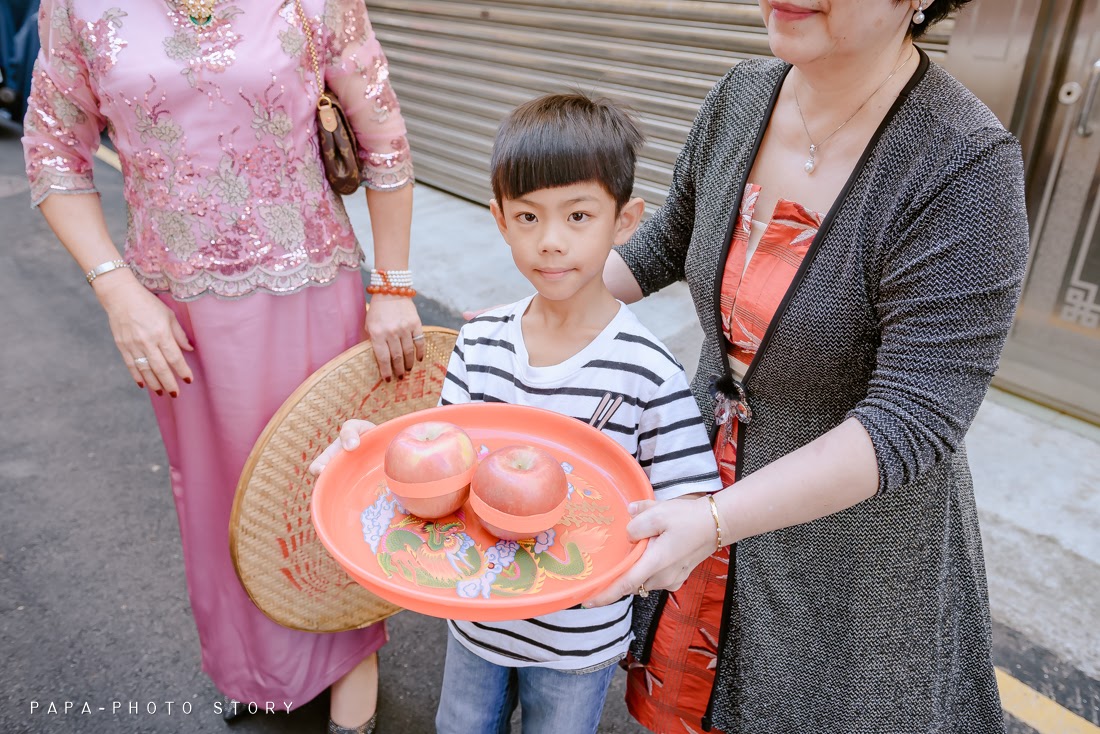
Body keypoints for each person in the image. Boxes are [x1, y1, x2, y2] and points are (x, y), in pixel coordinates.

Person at [583, 1, 1030, 733]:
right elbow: (669, 241)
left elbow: (911, 419)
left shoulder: (964, 165)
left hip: (848, 551)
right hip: (700, 478)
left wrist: (717, 520)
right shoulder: (742, 94)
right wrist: (536, 315)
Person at [22, 1, 424, 731]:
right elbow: (53, 154)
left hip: (310, 288)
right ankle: (260, 668)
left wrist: (392, 286)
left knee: (324, 479)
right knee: (219, 495)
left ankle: (352, 653)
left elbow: (385, 139)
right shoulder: (78, 8)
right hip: (177, 314)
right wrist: (116, 289)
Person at [310, 93, 724, 734]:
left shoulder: (648, 370)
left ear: (626, 220)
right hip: (475, 619)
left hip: (579, 637)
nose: (551, 242)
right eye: (528, 217)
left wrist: (634, 571)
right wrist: (375, 456)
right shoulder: (481, 342)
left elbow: (689, 507)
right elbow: (448, 470)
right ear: (500, 220)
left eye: (578, 215)